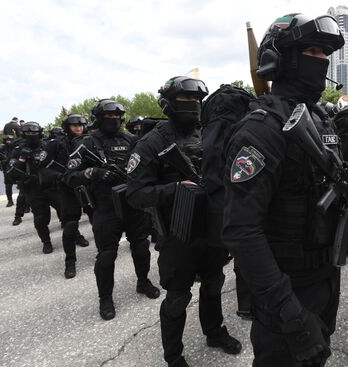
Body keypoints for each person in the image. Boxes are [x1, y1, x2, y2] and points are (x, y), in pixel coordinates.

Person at [223, 13, 348, 366]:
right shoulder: (260, 131)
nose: (322, 61)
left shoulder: (320, 119)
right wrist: (287, 311)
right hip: (285, 286)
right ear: (281, 58)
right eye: (312, 50)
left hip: (325, 275)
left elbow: (342, 181)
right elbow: (242, 231)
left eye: (325, 53)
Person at [126, 77, 242, 367]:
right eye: (184, 100)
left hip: (211, 227)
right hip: (178, 233)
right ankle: (174, 356)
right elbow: (135, 194)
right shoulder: (153, 141)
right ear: (167, 104)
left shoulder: (209, 134)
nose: (192, 106)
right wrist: (176, 189)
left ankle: (214, 332)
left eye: (196, 100)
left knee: (214, 284)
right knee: (177, 298)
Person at [66, 99, 159, 320]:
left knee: (142, 247)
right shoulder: (86, 143)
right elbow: (69, 176)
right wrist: (94, 173)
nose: (113, 121)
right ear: (98, 119)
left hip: (133, 204)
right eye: (108, 117)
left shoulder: (132, 140)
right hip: (106, 207)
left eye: (117, 117)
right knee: (107, 256)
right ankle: (105, 298)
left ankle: (143, 281)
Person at [40, 114, 91, 278]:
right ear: (67, 127)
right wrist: (59, 176)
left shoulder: (89, 141)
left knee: (99, 220)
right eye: (75, 125)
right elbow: (42, 168)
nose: (79, 128)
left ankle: (105, 253)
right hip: (67, 189)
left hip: (88, 187)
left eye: (81, 125)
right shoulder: (55, 144)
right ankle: (70, 262)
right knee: (70, 225)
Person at [6, 122, 62, 254]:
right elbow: (11, 171)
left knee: (66, 213)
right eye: (29, 133)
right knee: (40, 219)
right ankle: (46, 242)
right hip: (33, 189)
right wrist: (22, 160)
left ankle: (75, 236)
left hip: (52, 187)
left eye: (34, 133)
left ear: (40, 133)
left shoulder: (47, 146)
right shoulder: (18, 149)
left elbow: (58, 164)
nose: (32, 135)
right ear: (24, 134)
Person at [0, 135, 16, 206]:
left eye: (10, 140)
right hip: (7, 170)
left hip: (17, 169)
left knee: (22, 186)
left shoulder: (15, 148)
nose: (9, 141)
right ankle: (10, 201)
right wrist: (0, 162)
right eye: (7, 140)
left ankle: (26, 204)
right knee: (8, 185)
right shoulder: (1, 149)